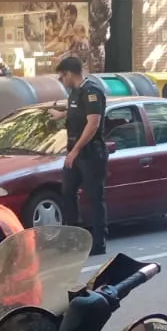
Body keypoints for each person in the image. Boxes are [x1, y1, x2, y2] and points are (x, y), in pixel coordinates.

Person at [58, 56, 108, 255]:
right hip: (75, 152)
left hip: (90, 153)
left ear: (70, 74)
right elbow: (76, 114)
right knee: (67, 192)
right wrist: (60, 115)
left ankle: (98, 242)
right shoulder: (75, 93)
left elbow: (93, 123)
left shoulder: (92, 92)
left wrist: (75, 150)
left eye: (62, 77)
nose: (62, 81)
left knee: (95, 197)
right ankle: (75, 238)